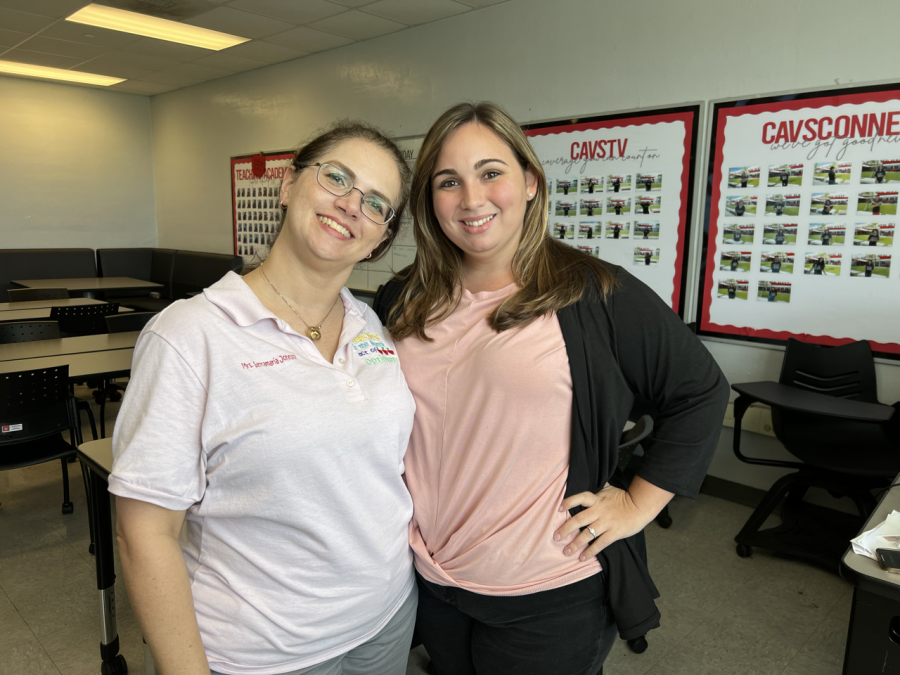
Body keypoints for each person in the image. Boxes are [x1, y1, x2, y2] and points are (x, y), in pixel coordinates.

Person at [373, 102, 728, 675]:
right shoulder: (402, 298)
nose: (471, 198)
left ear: (530, 182)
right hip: (431, 578)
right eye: (448, 181)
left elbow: (701, 391)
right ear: (429, 199)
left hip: (547, 587)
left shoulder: (591, 292)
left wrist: (638, 503)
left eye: (492, 172)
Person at [110, 121, 420, 675]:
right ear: (288, 184)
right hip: (262, 651)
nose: (351, 204)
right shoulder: (188, 336)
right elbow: (145, 533)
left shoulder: (369, 322)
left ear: (381, 237)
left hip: (385, 621)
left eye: (376, 202)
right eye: (337, 178)